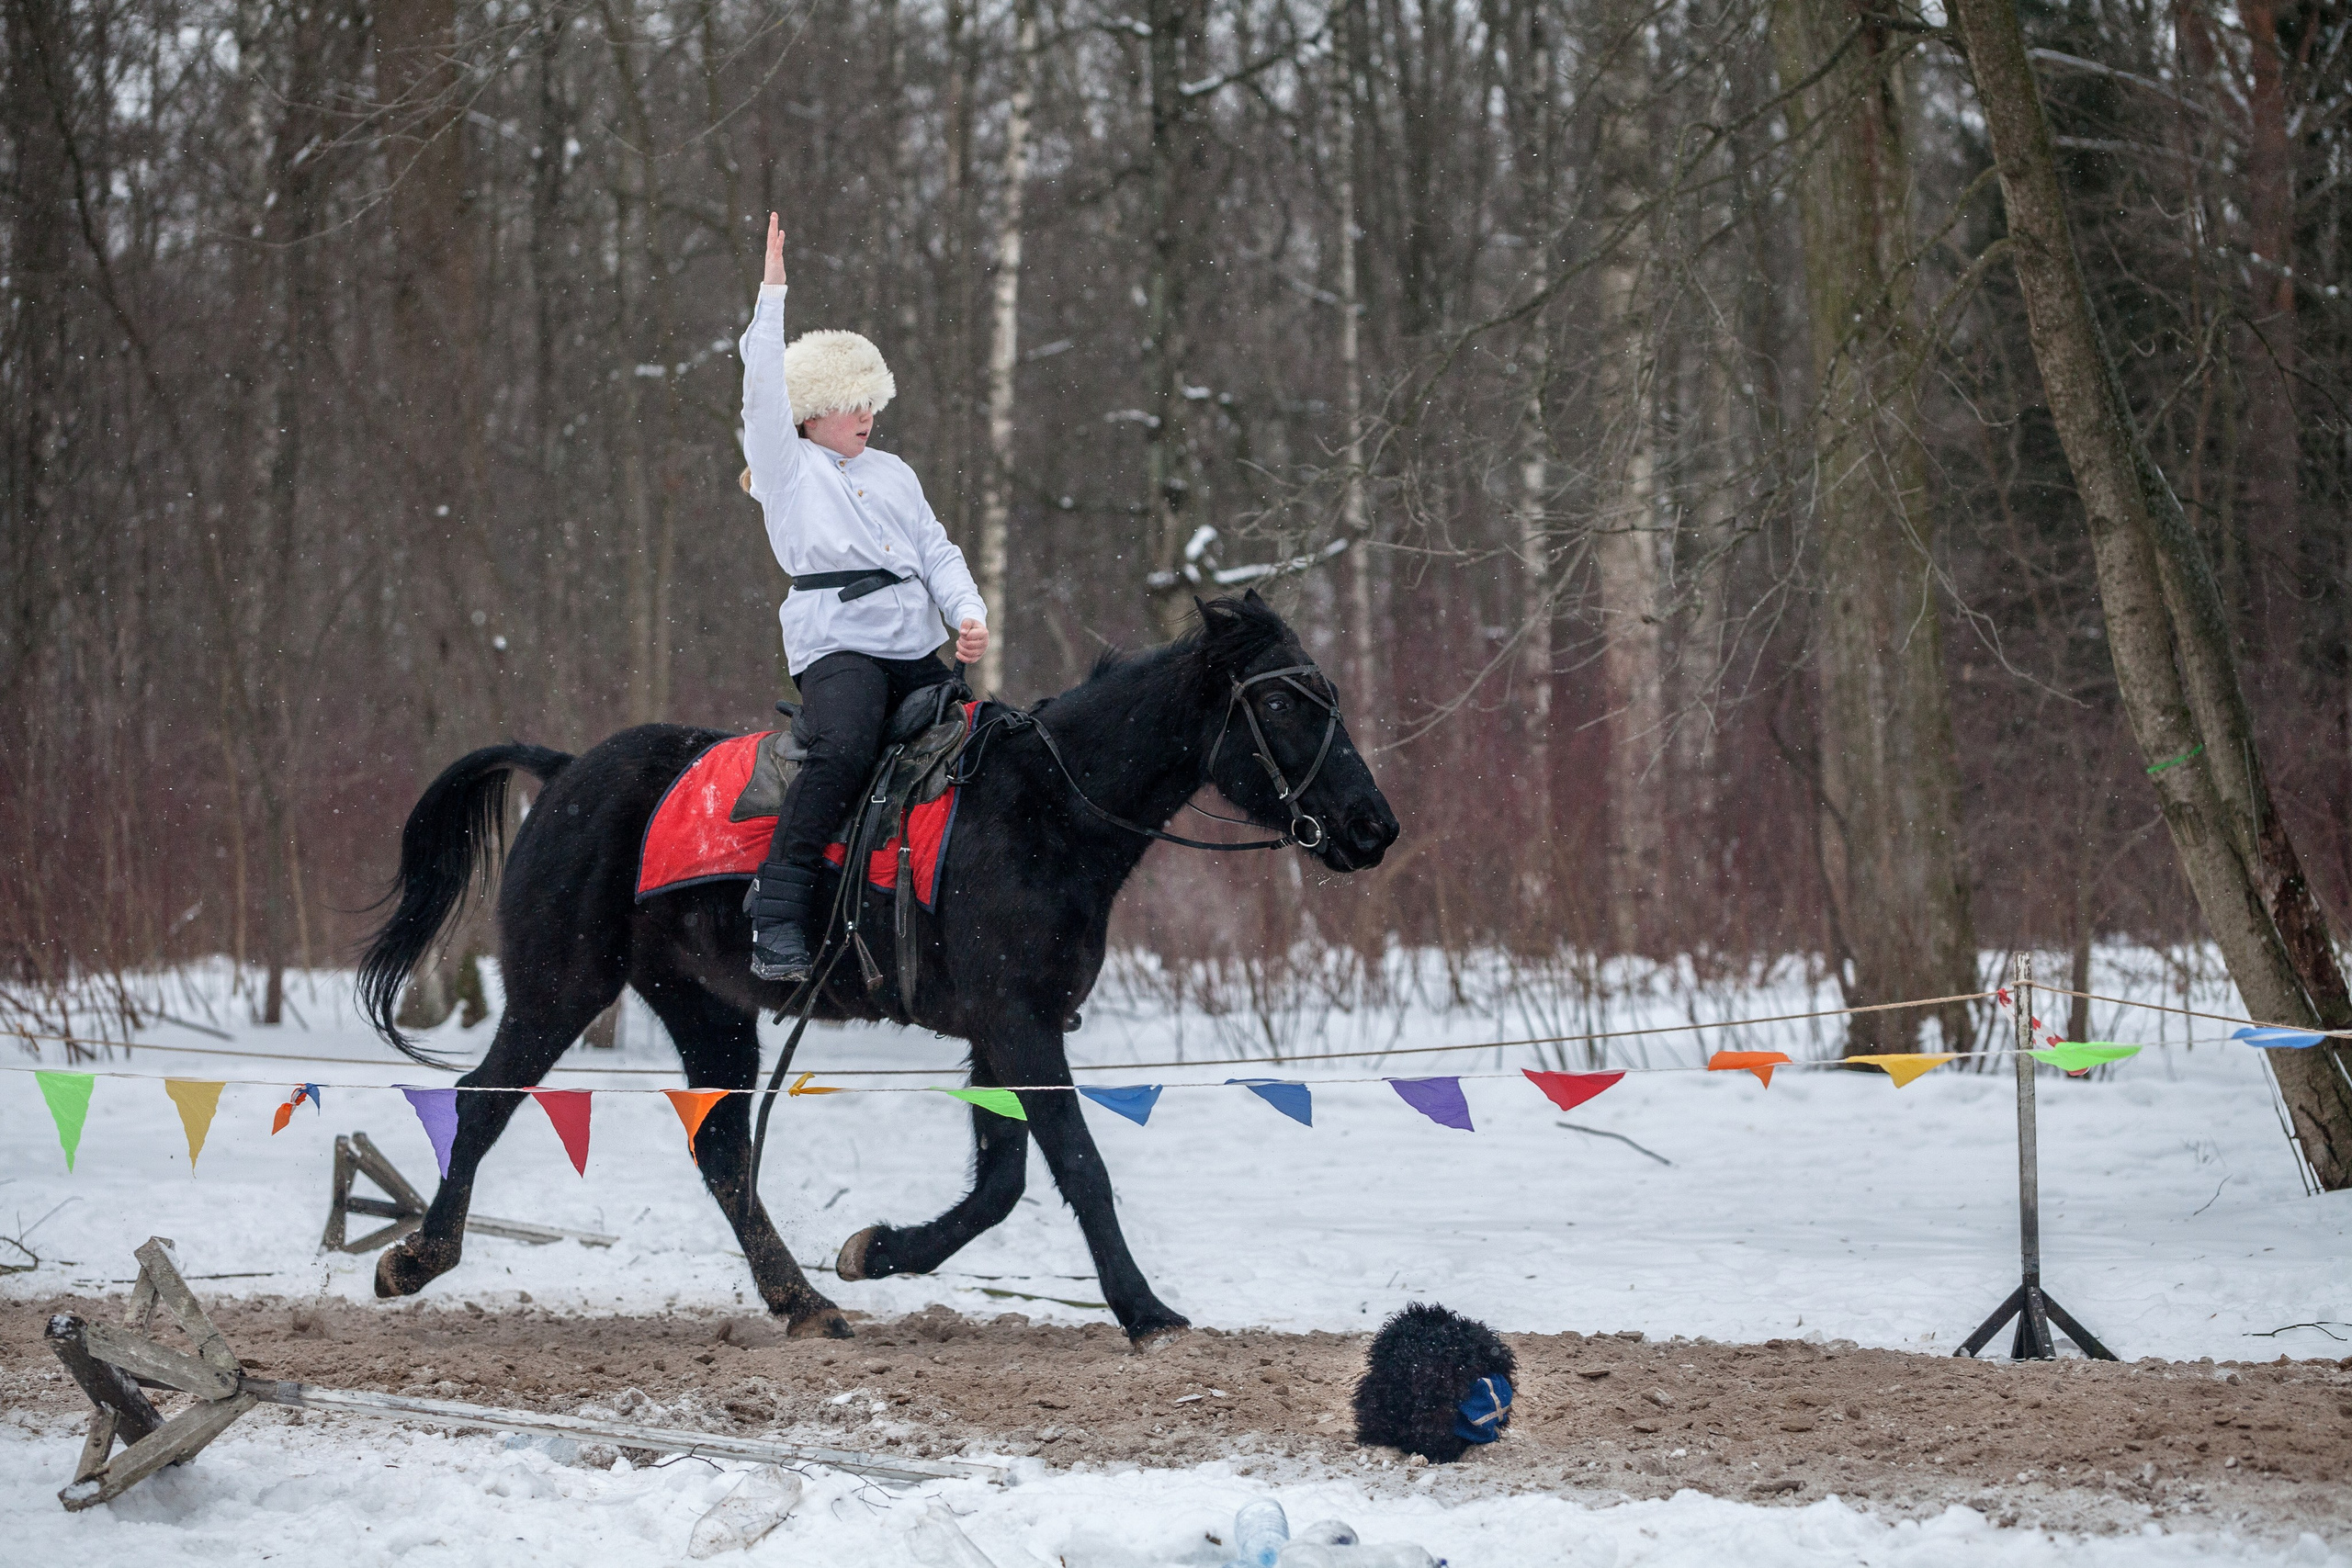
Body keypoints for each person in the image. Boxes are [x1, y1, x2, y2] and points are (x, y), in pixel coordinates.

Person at [739, 213, 989, 983]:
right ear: (812, 411)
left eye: (871, 401)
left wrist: (966, 612)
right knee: (844, 748)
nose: (867, 416)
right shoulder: (788, 467)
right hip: (839, 646)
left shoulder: (895, 472)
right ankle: (777, 909)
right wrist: (772, 295)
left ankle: (968, 922)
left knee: (981, 748)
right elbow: (759, 394)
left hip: (916, 643)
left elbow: (937, 549)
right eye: (852, 404)